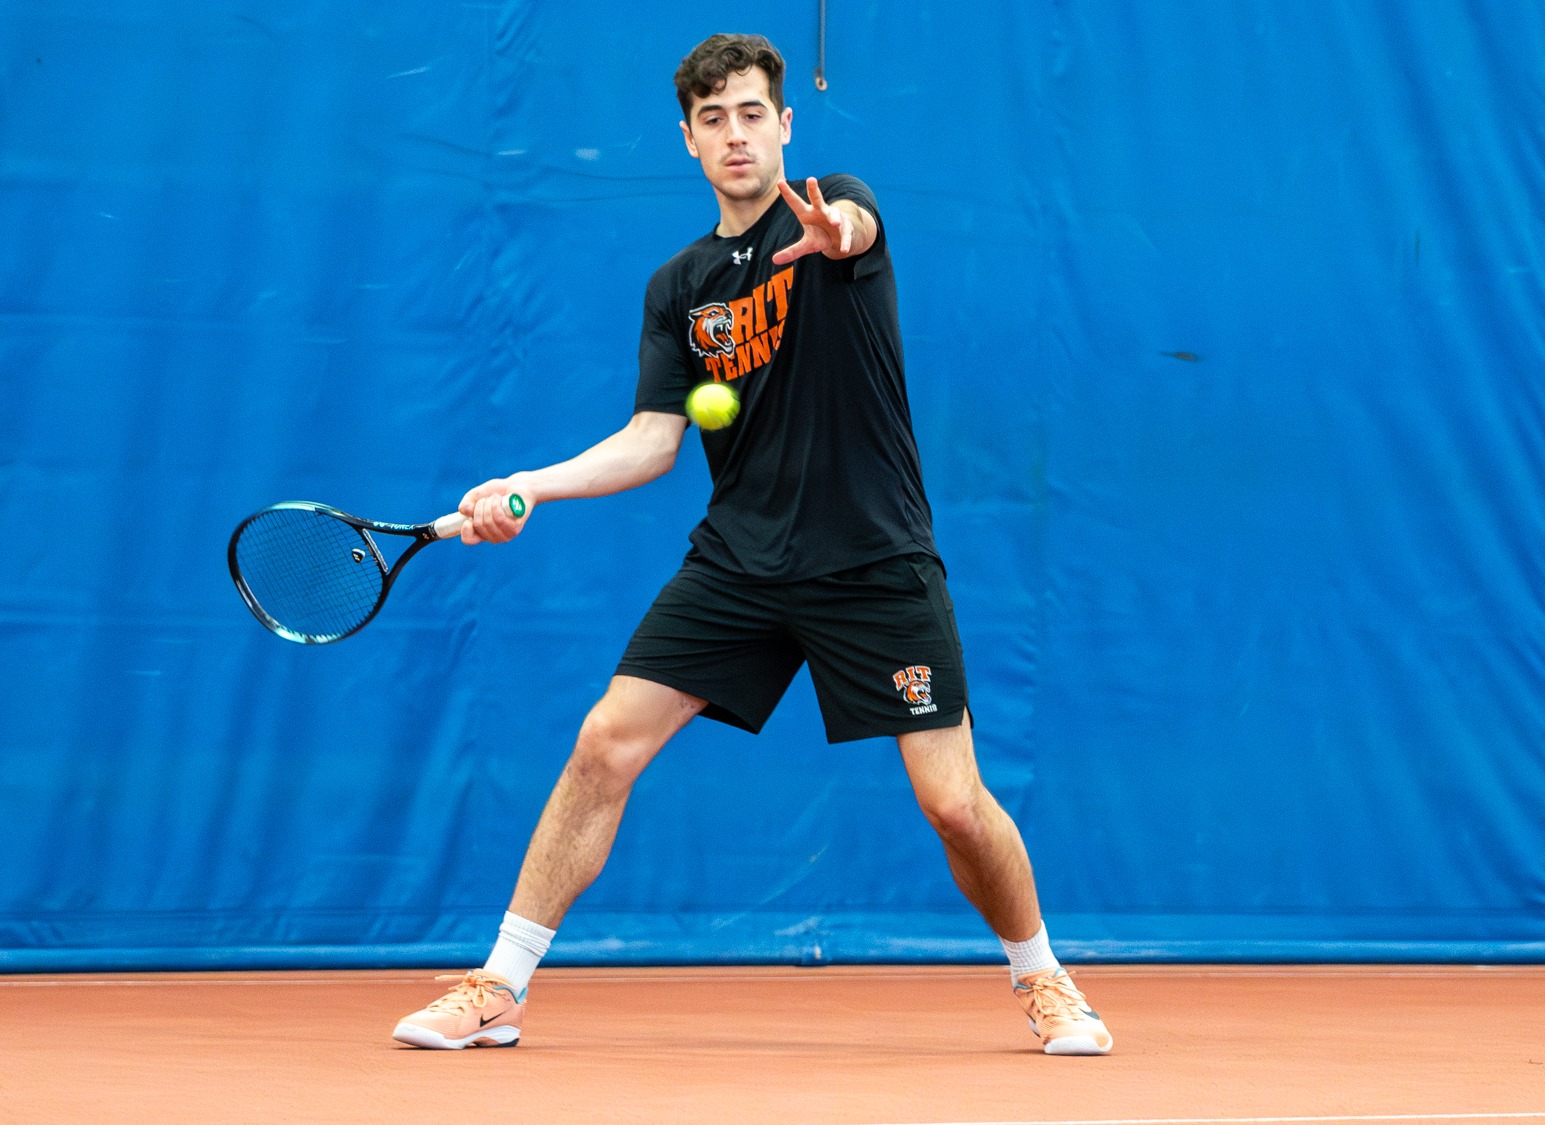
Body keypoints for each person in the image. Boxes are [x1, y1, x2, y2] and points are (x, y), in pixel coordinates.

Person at [389, 33, 1112, 1057]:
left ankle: (1043, 980)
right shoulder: (677, 288)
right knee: (604, 743)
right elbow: (651, 441)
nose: (735, 134)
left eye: (750, 114)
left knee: (952, 803)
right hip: (738, 563)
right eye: (713, 118)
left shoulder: (831, 212)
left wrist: (841, 233)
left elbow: (855, 229)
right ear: (687, 139)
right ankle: (499, 983)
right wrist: (527, 486)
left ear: (784, 125)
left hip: (873, 562)